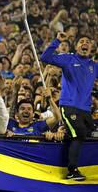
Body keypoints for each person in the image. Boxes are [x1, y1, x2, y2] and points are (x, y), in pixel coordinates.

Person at [41, 32, 98, 181]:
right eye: (81, 41)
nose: (84, 43)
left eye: (88, 41)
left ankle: (62, 132)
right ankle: (72, 170)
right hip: (69, 106)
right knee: (78, 134)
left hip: (86, 110)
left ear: (92, 47)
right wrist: (57, 41)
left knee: (89, 134)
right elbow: (45, 58)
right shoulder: (68, 58)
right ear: (77, 46)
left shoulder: (94, 66)